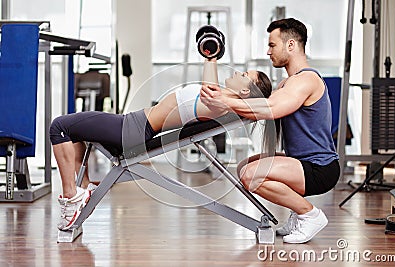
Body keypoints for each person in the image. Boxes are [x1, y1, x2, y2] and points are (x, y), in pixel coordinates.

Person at [50, 58, 273, 231]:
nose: (236, 72)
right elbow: (211, 89)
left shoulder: (219, 105)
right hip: (134, 125)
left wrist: (210, 59)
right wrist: (210, 57)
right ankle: (83, 189)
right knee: (74, 129)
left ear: (246, 91)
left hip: (131, 129)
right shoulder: (221, 100)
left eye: (244, 75)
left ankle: (71, 196)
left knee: (59, 127)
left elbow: (208, 92)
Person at [200, 18, 340, 244]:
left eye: (272, 45)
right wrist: (219, 88)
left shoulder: (307, 80)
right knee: (245, 167)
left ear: (291, 45)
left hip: (319, 167)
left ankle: (309, 214)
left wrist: (227, 103)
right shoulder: (287, 84)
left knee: (251, 174)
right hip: (301, 162)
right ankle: (298, 214)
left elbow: (271, 109)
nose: (268, 51)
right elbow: (256, 103)